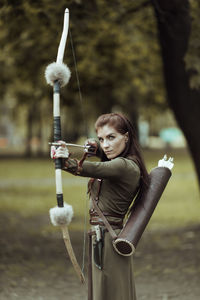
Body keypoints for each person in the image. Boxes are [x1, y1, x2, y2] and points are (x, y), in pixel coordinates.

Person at [51, 112, 149, 300]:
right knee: (102, 292)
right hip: (100, 237)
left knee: (114, 292)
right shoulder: (117, 161)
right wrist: (93, 149)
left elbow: (96, 168)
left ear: (126, 137)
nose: (106, 144)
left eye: (111, 137)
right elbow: (104, 158)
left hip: (110, 239)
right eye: (102, 139)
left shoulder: (126, 166)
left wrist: (64, 161)